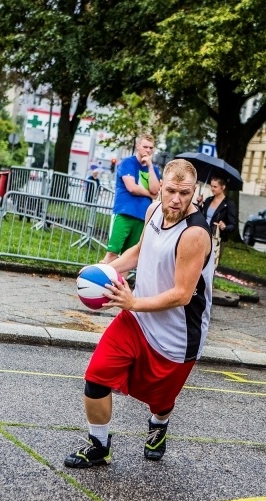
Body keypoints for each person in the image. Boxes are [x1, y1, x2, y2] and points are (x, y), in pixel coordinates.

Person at [65, 158, 214, 468]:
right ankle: (99, 445)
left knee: (160, 402)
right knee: (96, 378)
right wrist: (101, 269)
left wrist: (132, 302)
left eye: (184, 193)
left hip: (176, 337)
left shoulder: (195, 234)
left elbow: (182, 294)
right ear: (161, 188)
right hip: (136, 319)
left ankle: (159, 425)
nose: (176, 199)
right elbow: (138, 252)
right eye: (171, 190)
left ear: (194, 191)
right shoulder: (153, 211)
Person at [101, 134, 161, 263]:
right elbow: (132, 187)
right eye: (145, 146)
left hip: (142, 217)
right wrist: (150, 194)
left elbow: (155, 190)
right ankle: (99, 279)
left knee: (127, 258)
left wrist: (150, 166)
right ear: (138, 146)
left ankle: (119, 283)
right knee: (112, 252)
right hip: (125, 212)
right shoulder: (128, 162)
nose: (148, 150)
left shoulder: (154, 169)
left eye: (151, 148)